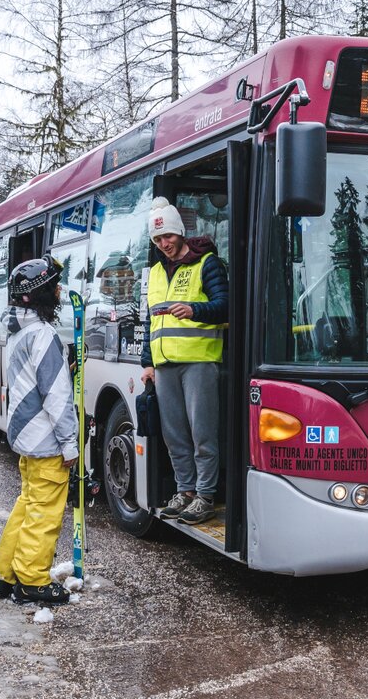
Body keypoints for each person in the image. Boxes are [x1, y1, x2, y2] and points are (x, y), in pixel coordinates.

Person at [0, 256, 78, 605]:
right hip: (46, 441)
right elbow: (56, 395)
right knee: (44, 513)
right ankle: (32, 580)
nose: (59, 291)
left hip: (26, 437)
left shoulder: (18, 331)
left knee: (26, 506)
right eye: (53, 285)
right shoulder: (44, 334)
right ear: (41, 293)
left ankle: (5, 574)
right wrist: (70, 442)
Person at [140, 197, 228, 526]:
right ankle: (185, 490)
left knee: (202, 432)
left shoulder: (206, 264)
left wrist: (195, 310)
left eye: (169, 237)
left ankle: (205, 495)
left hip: (199, 362)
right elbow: (152, 322)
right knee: (174, 435)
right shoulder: (157, 273)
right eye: (158, 239)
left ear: (180, 232)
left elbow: (226, 306)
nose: (164, 244)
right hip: (164, 367)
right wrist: (147, 362)